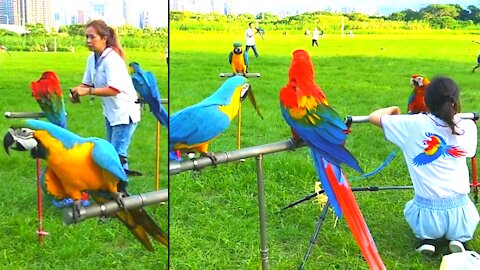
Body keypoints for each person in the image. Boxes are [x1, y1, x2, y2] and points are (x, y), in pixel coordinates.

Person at [368, 76, 479, 255]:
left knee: (418, 211)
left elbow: (374, 117)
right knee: (459, 220)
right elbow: (470, 152)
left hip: (427, 216)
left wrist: (394, 110)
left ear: (426, 101)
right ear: (455, 101)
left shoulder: (412, 124)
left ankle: (428, 240)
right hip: (462, 215)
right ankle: (457, 239)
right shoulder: (467, 126)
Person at [71, 20, 141, 175]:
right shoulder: (92, 59)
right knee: (111, 152)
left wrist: (88, 92)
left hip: (125, 112)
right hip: (111, 113)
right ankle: (115, 189)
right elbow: (86, 83)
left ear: (104, 38)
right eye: (86, 37)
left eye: (92, 37)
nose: (88, 41)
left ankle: (120, 192)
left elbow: (114, 90)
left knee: (116, 155)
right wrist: (76, 92)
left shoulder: (113, 60)